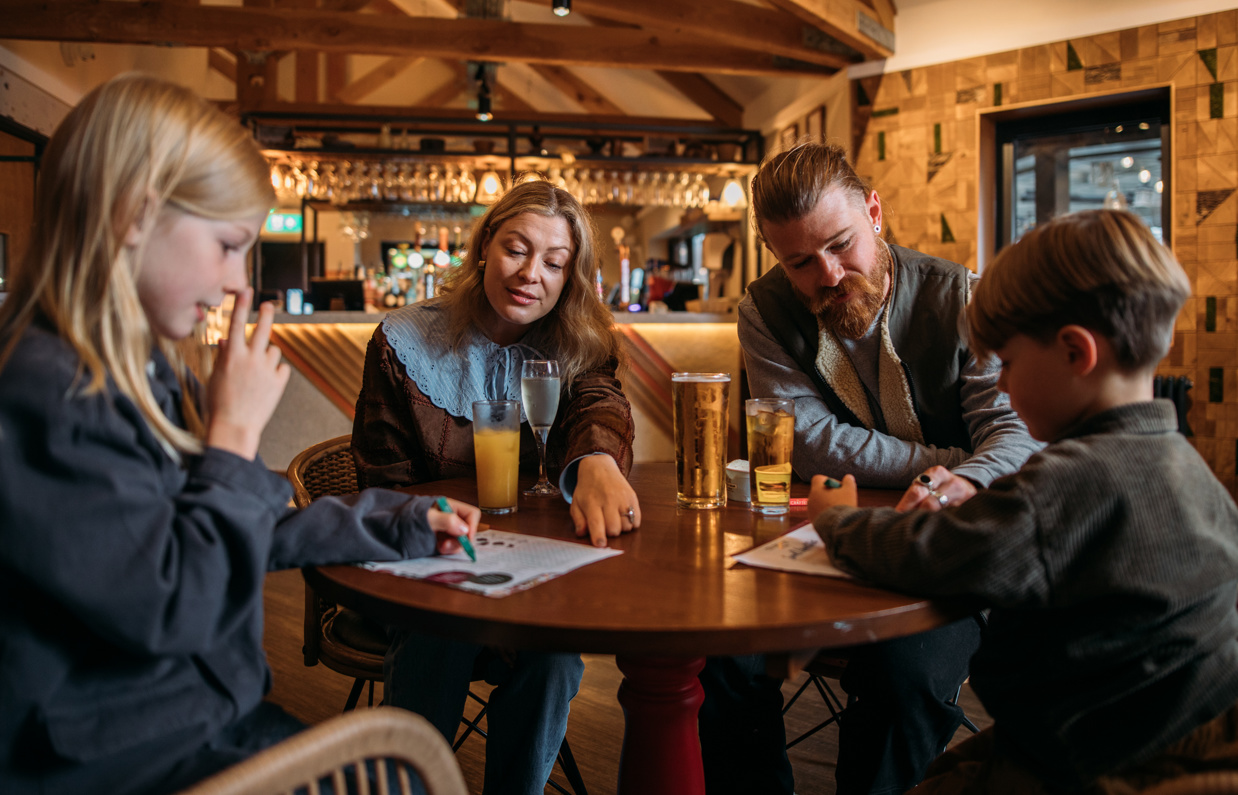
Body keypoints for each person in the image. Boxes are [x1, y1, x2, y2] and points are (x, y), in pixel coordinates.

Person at [0, 74, 481, 795]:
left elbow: (252, 528)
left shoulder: (144, 373)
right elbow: (173, 610)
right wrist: (229, 433)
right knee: (410, 775)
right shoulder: (49, 392)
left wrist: (400, 521)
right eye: (227, 245)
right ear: (135, 214)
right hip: (117, 760)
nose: (235, 283)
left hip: (196, 722)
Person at [808, 208, 1238, 794]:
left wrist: (841, 523)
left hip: (1097, 765)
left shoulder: (1065, 485)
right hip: (1177, 735)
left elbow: (933, 552)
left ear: (1074, 353)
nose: (1002, 386)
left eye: (1007, 363)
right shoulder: (1194, 470)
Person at [699, 141, 1041, 795]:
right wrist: (947, 460)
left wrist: (966, 480)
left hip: (941, 545)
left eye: (840, 244)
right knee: (724, 654)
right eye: (800, 261)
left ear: (875, 213)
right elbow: (806, 443)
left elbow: (1010, 433)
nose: (827, 274)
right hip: (815, 541)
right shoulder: (764, 312)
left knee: (902, 671)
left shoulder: (961, 297)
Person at [351, 180, 638, 795]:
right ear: (484, 245)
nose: (531, 273)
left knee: (554, 656)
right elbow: (381, 479)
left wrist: (597, 460)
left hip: (531, 577)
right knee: (442, 634)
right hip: (426, 572)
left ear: (570, 278)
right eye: (516, 249)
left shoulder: (576, 345)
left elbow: (601, 408)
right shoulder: (403, 341)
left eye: (555, 263)